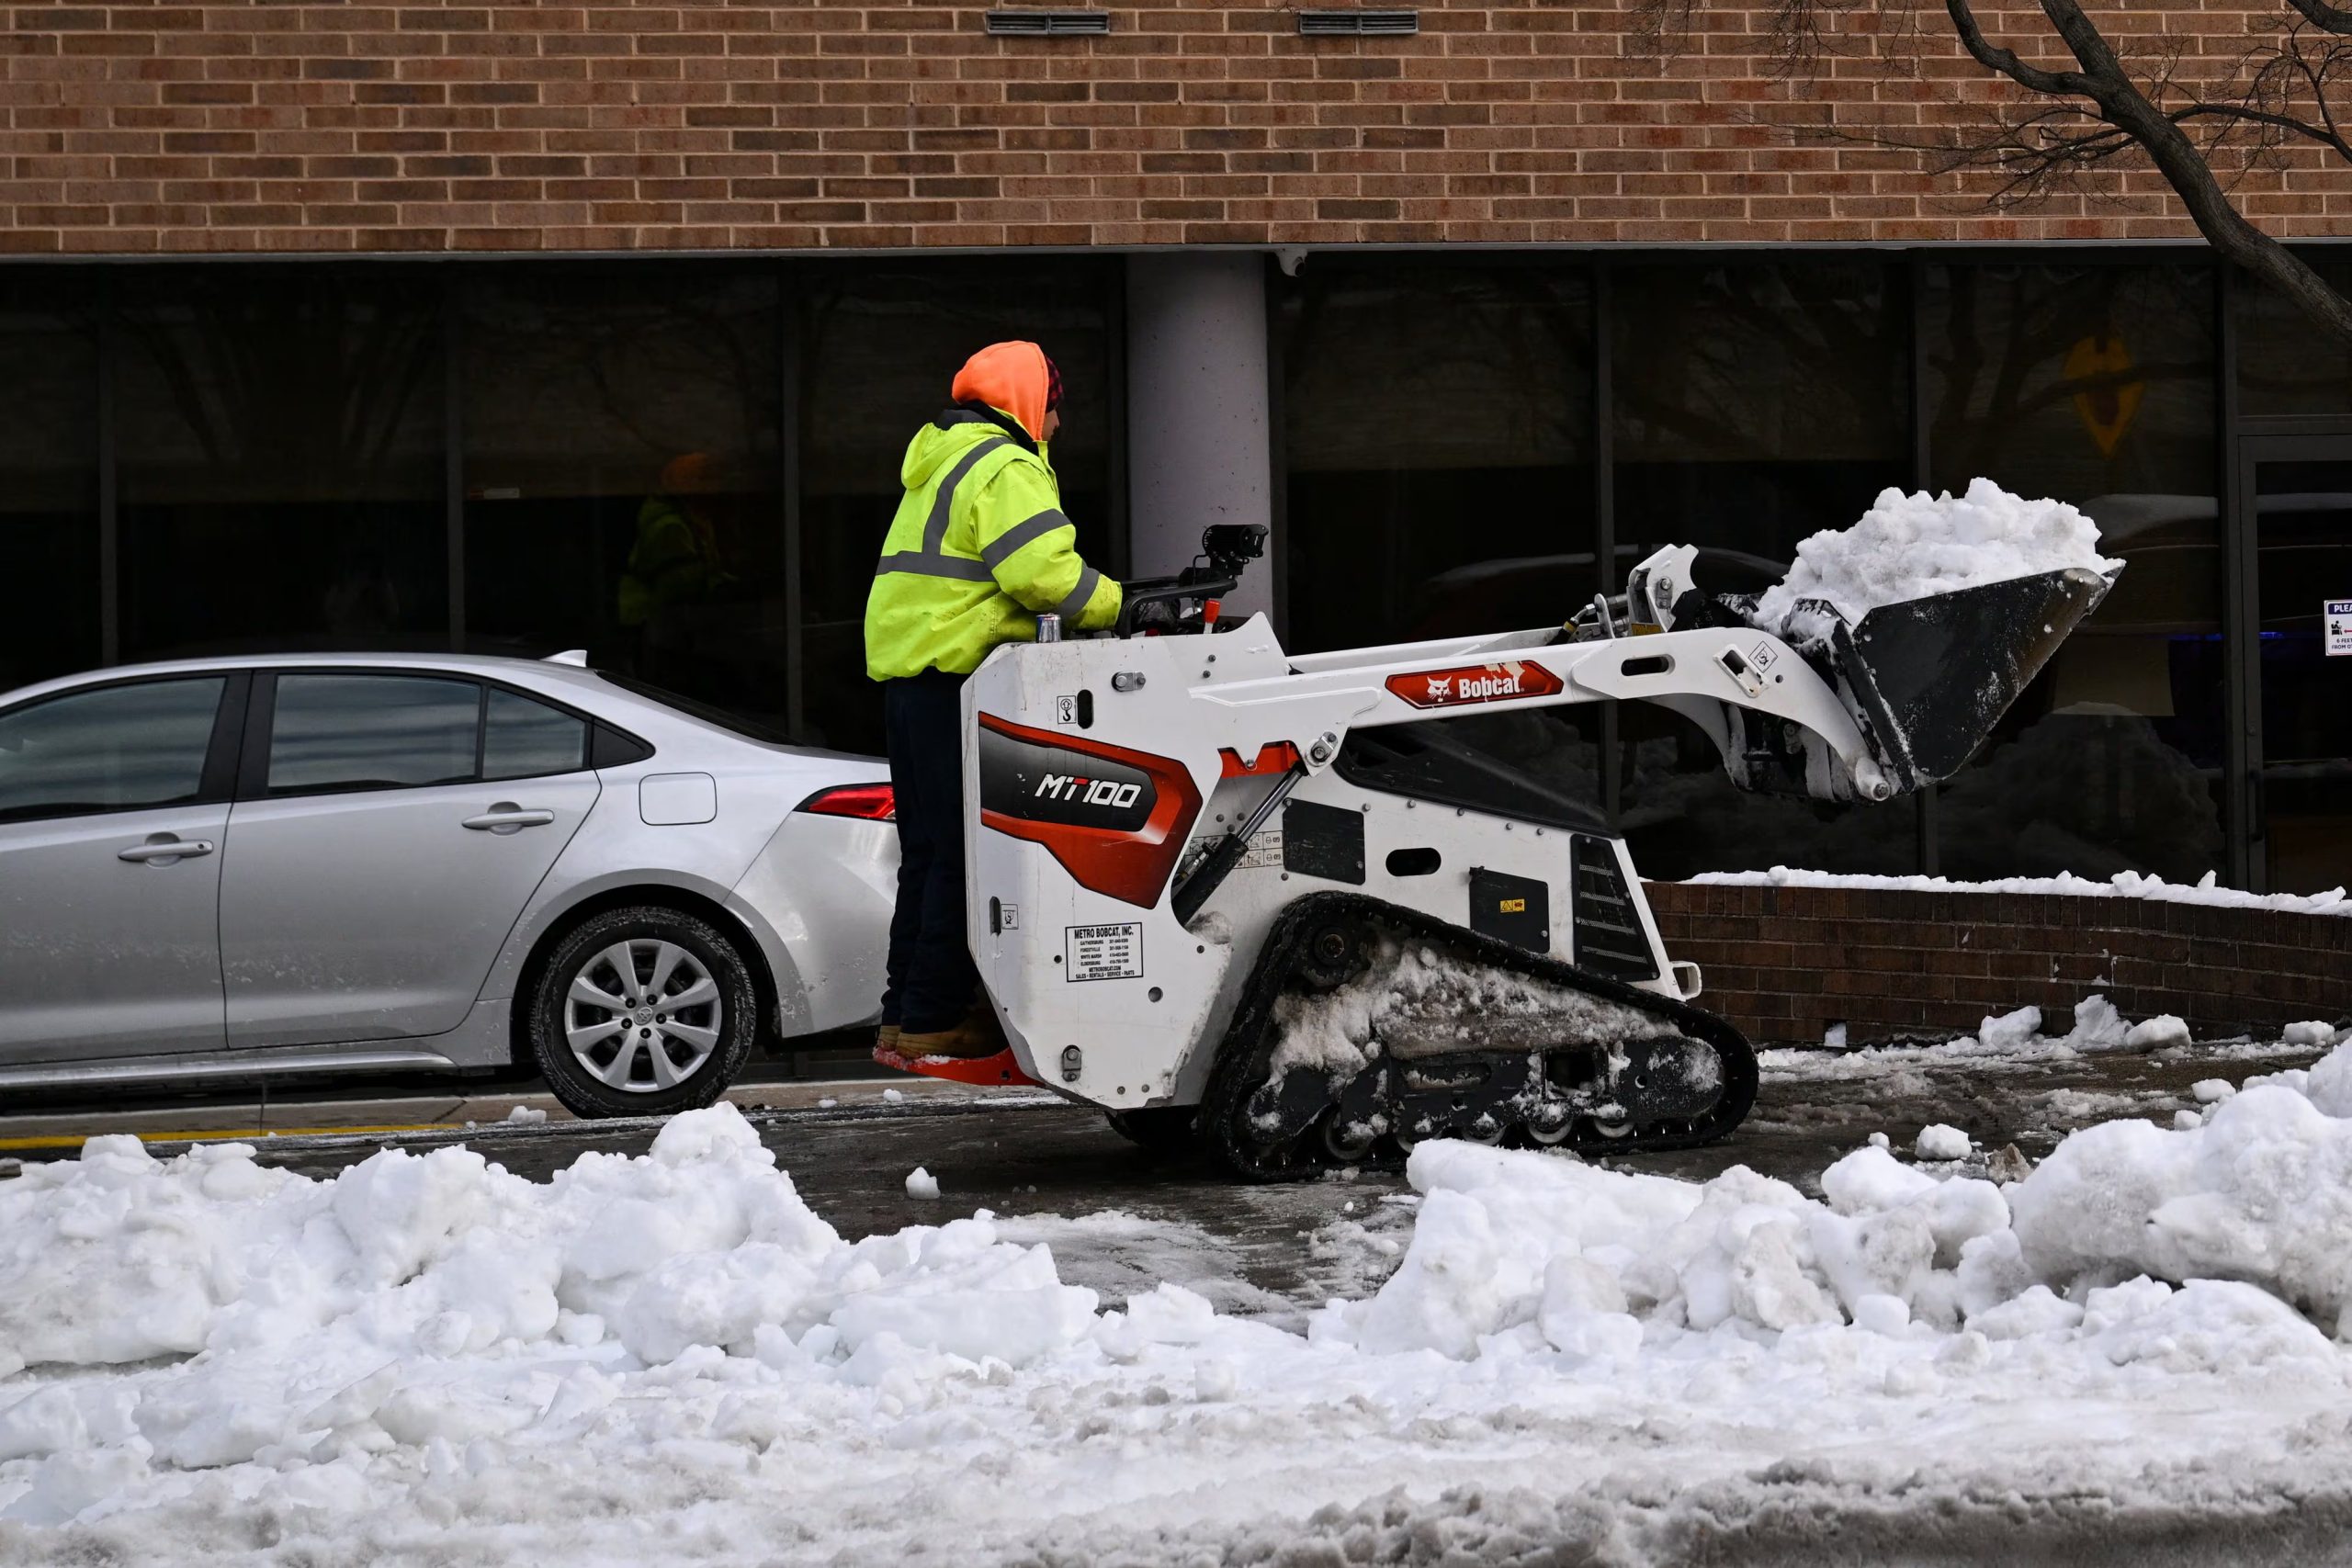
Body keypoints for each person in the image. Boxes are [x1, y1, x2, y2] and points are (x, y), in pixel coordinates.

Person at [865, 341, 1122, 1059]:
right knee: (961, 853)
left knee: (925, 852)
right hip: (958, 685)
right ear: (1026, 402)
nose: (1057, 425)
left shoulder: (942, 458)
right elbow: (1044, 574)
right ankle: (935, 1016)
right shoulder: (1003, 465)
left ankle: (904, 1013)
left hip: (911, 684)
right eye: (1054, 408)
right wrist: (1117, 606)